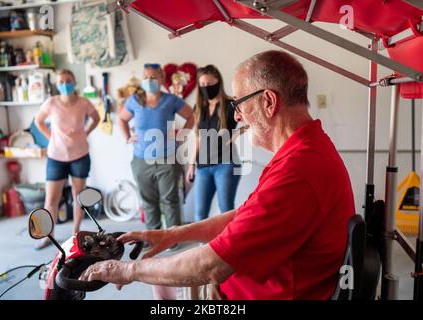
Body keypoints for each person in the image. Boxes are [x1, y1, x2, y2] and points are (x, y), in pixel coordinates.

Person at [80, 51, 355, 300]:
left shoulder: (299, 171)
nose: (238, 116)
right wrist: (173, 234)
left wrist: (127, 270)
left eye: (240, 104)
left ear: (269, 102)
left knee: (162, 281)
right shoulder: (303, 150)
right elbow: (242, 216)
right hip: (255, 283)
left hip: (255, 294)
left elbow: (210, 265)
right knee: (163, 279)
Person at [118, 63, 194, 233]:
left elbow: (190, 117)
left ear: (161, 79)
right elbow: (121, 119)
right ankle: (153, 235)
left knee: (170, 200)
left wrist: (181, 135)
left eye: (153, 77)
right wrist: (127, 137)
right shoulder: (135, 101)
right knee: (148, 200)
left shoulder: (171, 100)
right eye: (145, 77)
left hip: (167, 159)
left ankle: (174, 237)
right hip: (141, 160)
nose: (149, 80)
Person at [34, 69, 100, 249]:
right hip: (56, 156)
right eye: (61, 82)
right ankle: (48, 236)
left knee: (79, 197)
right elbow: (38, 121)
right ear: (57, 84)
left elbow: (96, 118)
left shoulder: (83, 103)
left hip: (79, 155)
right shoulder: (51, 103)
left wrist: (85, 132)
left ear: (74, 82)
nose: (65, 84)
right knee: (51, 200)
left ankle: (75, 234)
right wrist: (51, 137)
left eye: (68, 81)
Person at [187, 65, 243, 222]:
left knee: (225, 209)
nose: (206, 88)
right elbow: (198, 137)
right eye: (202, 85)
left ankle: (230, 245)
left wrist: (235, 135)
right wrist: (191, 164)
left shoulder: (231, 104)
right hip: (203, 166)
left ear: (218, 81)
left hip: (226, 164)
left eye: (209, 83)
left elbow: (251, 122)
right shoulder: (199, 107)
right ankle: (202, 246)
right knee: (200, 212)